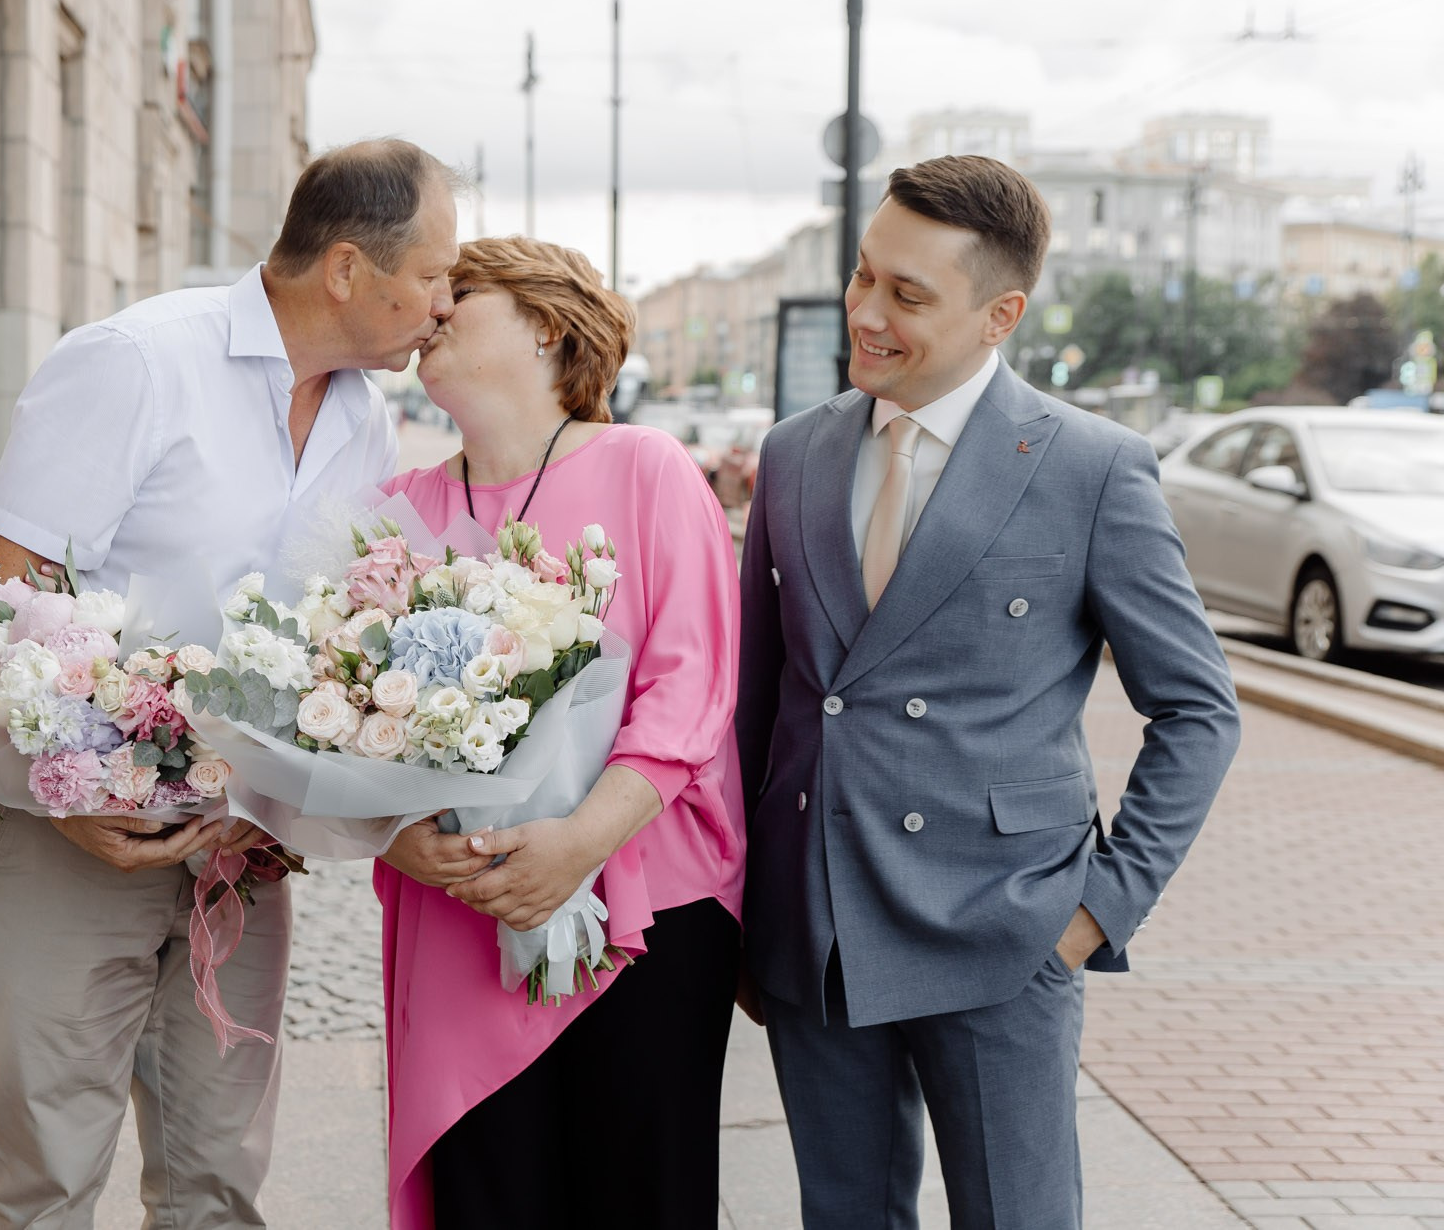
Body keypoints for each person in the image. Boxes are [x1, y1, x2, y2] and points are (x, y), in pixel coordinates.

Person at [736, 155, 1241, 1228]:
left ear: (998, 313)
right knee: (843, 1215)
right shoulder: (791, 455)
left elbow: (1195, 708)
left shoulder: (1090, 468)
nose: (864, 313)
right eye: (862, 276)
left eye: (906, 295)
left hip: (1001, 931)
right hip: (814, 925)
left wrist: (1095, 911)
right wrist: (747, 905)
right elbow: (759, 697)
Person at [0, 138, 459, 1228]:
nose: (444, 302)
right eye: (431, 274)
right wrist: (77, 793)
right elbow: (6, 582)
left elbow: (334, 625)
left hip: (241, 850)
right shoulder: (140, 361)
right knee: (47, 1166)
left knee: (218, 1176)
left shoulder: (362, 417)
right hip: (71, 843)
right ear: (345, 269)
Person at [377, 237, 745, 1229]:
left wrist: (576, 843)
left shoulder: (648, 469)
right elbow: (346, 714)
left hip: (645, 909)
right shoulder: (396, 510)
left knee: (638, 1194)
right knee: (485, 1193)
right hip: (463, 902)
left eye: (462, 293)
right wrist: (402, 838)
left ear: (544, 324)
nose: (432, 309)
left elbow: (691, 691)